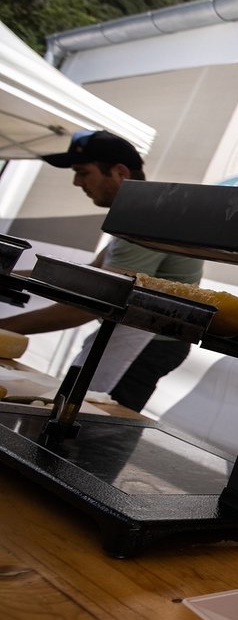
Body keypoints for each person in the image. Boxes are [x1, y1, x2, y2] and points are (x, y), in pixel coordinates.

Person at [0, 130, 204, 411]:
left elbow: (94, 304)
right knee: (66, 414)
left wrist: (3, 329)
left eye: (83, 172)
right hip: (127, 335)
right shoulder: (140, 210)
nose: (76, 182)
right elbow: (90, 277)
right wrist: (9, 275)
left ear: (120, 172)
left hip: (147, 344)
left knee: (85, 431)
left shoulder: (146, 216)